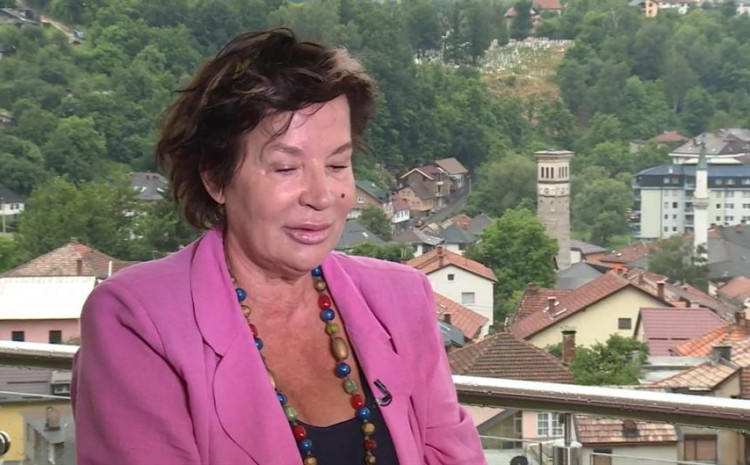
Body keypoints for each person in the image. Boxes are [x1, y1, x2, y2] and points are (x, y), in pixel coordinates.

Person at [71, 28, 486, 465]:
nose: (321, 196)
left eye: (338, 164)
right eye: (286, 167)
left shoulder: (402, 298)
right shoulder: (136, 320)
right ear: (215, 178)